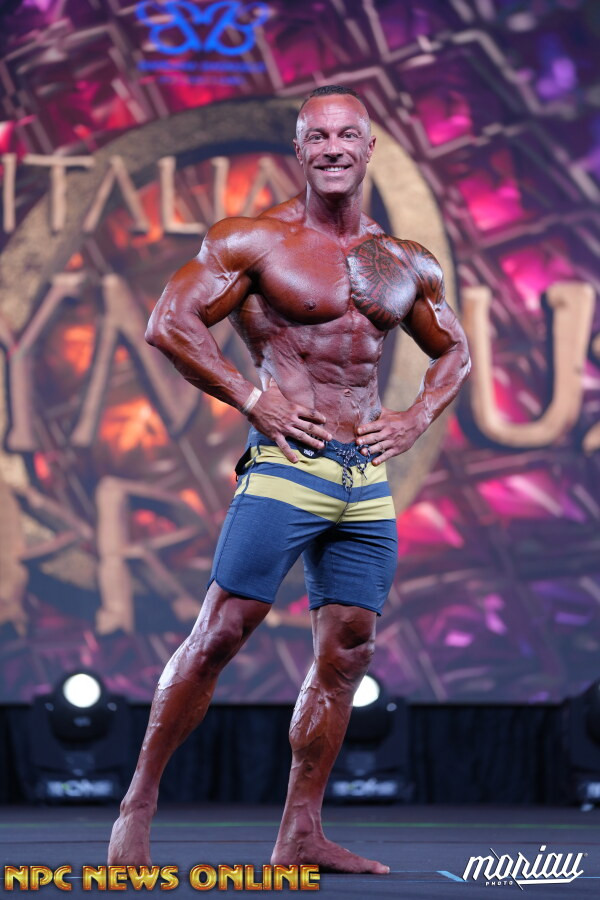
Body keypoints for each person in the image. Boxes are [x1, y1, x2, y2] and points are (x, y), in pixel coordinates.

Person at [107, 84, 470, 874]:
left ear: (369, 148)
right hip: (287, 467)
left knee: (348, 652)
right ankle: (137, 804)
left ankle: (299, 834)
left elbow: (455, 352)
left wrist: (414, 419)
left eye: (347, 136)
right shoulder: (256, 240)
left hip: (365, 479)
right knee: (222, 632)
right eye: (318, 137)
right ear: (299, 150)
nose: (334, 148)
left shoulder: (403, 259)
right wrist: (250, 396)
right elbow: (168, 322)